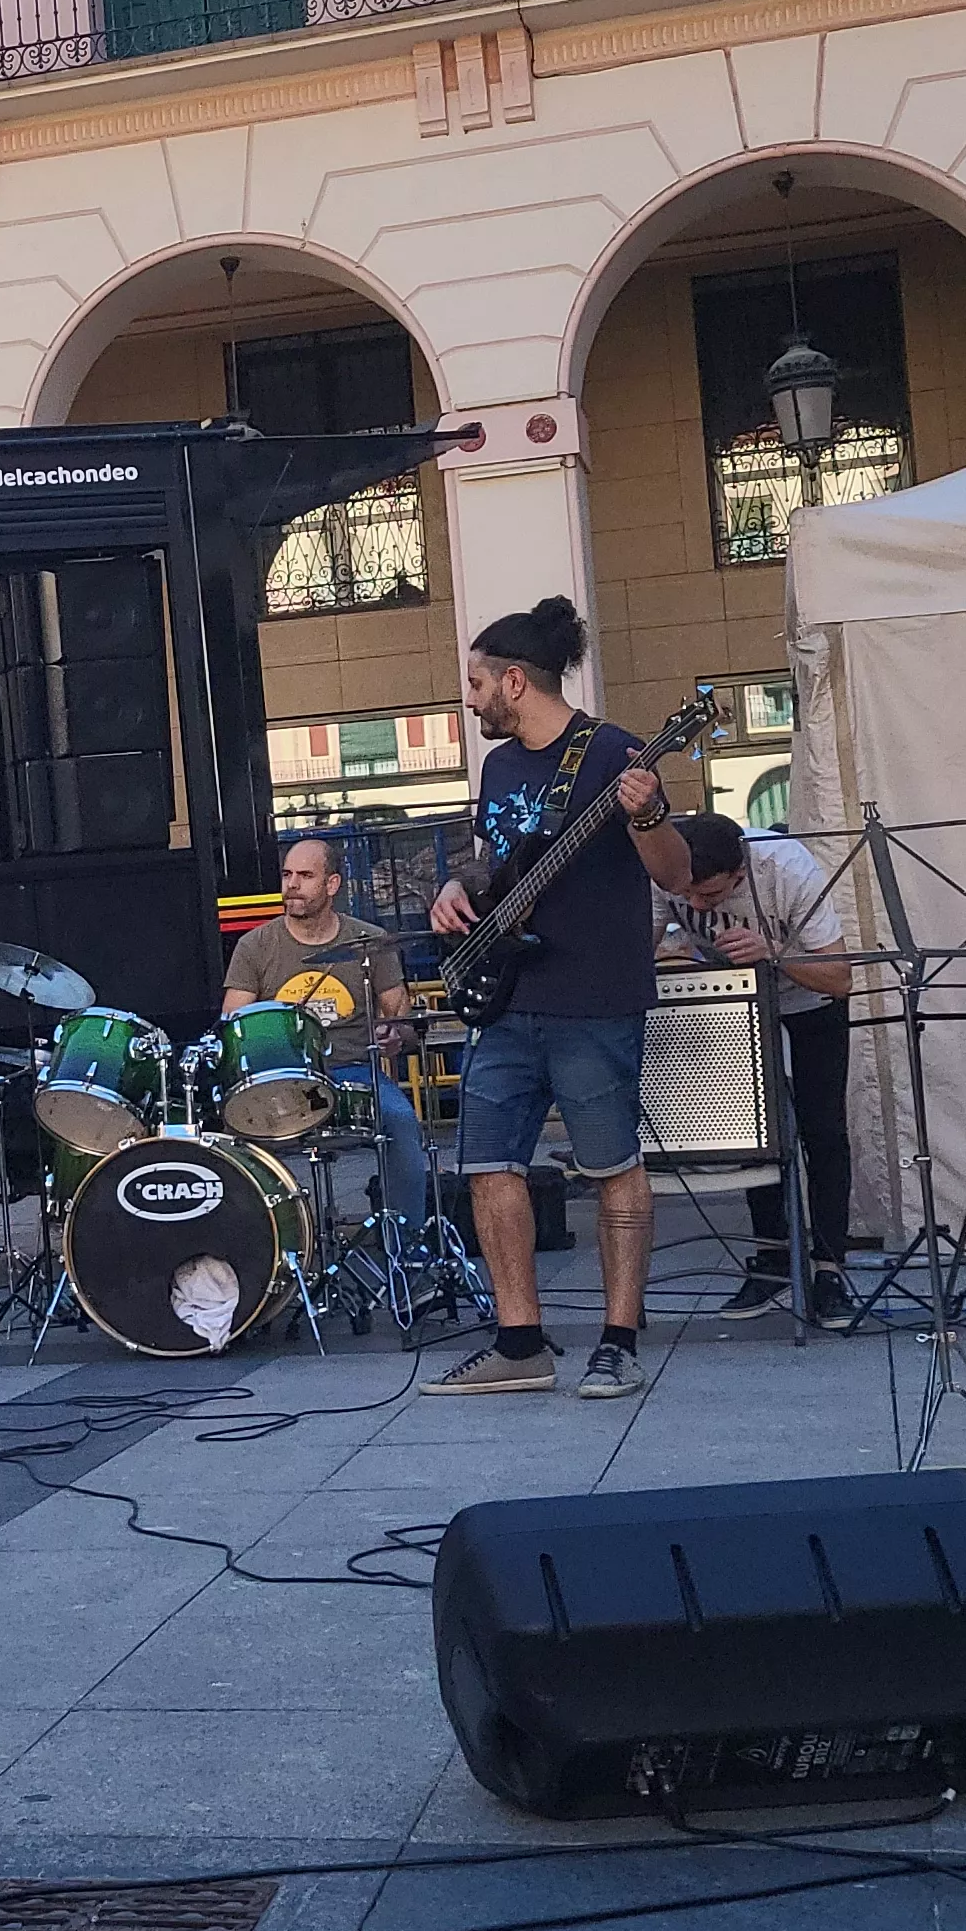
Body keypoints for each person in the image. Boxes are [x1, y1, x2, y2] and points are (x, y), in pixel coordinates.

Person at [422, 598, 695, 1402]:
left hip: (592, 996)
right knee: (488, 1164)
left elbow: (675, 873)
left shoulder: (615, 752)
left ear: (514, 681)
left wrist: (645, 813)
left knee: (611, 1165)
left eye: (476, 684)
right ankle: (519, 1341)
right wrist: (455, 888)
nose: (469, 700)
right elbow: (494, 865)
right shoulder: (501, 768)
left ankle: (618, 1342)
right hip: (506, 994)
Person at [658, 812, 857, 1328]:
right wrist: (670, 954)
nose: (699, 907)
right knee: (754, 1130)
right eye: (690, 897)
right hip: (733, 1000)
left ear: (741, 874)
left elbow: (839, 978)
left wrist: (773, 952)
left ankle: (829, 1267)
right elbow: (643, 947)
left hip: (809, 999)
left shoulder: (787, 868)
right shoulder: (665, 869)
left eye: (712, 897)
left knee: (824, 1131)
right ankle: (770, 1259)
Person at [222, 834, 428, 1236]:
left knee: (402, 1122)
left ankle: (407, 1249)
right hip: (280, 1078)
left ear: (332, 885)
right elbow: (233, 1025)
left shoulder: (370, 942)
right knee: (230, 1136)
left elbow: (401, 1019)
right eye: (286, 875)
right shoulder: (256, 946)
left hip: (354, 1072)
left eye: (304, 875)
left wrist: (394, 1035)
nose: (291, 885)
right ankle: (264, 1250)